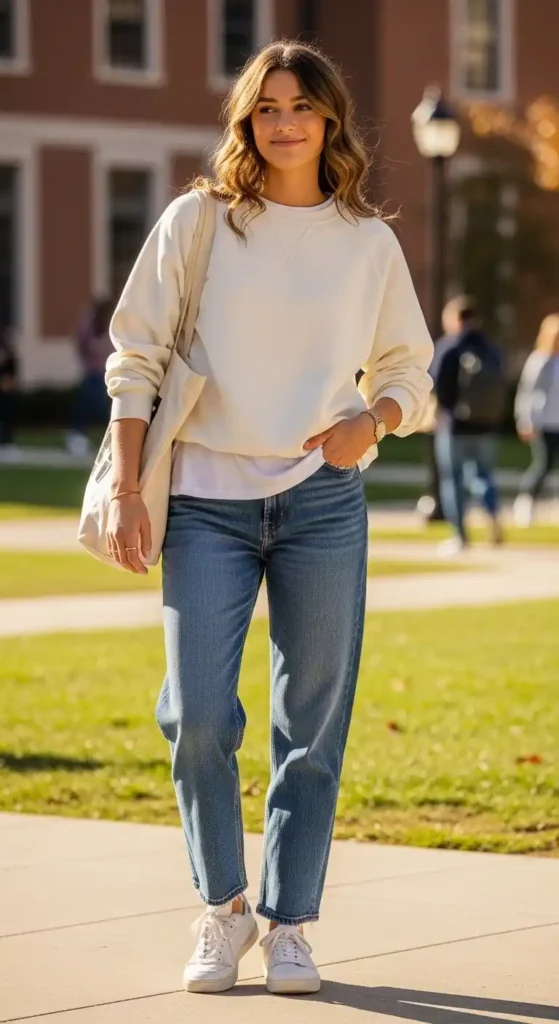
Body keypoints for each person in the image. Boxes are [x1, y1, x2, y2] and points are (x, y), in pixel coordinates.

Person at [104, 41, 433, 996]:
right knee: (198, 716)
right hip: (204, 500)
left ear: (330, 119)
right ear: (245, 121)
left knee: (310, 726)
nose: (282, 123)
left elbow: (409, 374)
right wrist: (129, 488)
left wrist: (368, 420)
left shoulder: (366, 242)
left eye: (300, 106)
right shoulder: (199, 221)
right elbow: (137, 358)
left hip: (322, 503)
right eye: (264, 108)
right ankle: (223, 909)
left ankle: (290, 923)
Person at [434, 301, 507, 554]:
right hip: (486, 425)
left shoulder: (450, 346)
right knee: (481, 474)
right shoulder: (491, 347)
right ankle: (493, 511)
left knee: (453, 480)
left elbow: (437, 383)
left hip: (455, 424)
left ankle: (460, 536)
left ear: (455, 319)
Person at [416, 296, 469, 522]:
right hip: (480, 422)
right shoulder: (486, 345)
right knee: (475, 472)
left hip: (447, 419)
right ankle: (487, 509)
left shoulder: (448, 346)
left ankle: (446, 514)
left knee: (447, 472)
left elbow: (431, 381)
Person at [513, 313, 559, 526]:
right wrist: (525, 419)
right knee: (543, 465)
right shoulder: (540, 360)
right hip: (543, 422)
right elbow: (527, 391)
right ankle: (526, 501)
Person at [66, 296, 113, 456]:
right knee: (89, 403)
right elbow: (82, 342)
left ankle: (106, 438)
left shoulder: (109, 323)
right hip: (93, 370)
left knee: (102, 405)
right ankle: (77, 435)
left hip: (106, 370)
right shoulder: (90, 321)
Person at [0, 323, 19, 453]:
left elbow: (13, 375)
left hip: (7, 392)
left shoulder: (11, 356)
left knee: (8, 414)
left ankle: (6, 441)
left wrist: (10, 383)